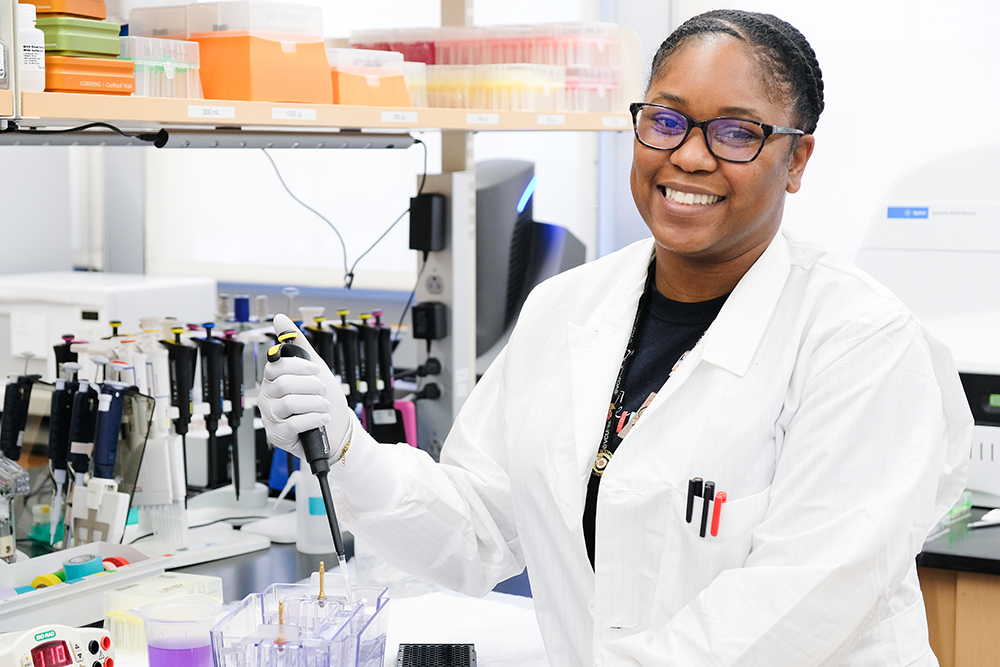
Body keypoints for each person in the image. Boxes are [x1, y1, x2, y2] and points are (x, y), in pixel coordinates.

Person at [260, 9, 971, 666]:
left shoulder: (860, 342)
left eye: (734, 132)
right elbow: (477, 526)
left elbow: (792, 608)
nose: (688, 157)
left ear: (798, 159)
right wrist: (351, 452)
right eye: (666, 120)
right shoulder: (565, 309)